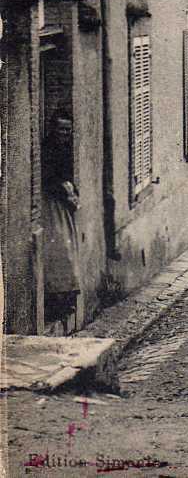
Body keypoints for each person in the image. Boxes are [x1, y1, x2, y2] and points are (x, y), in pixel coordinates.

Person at [42, 109, 81, 325]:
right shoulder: (48, 150)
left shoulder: (65, 149)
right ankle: (56, 302)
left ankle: (66, 301)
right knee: (60, 253)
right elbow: (49, 180)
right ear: (53, 129)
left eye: (68, 130)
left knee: (68, 251)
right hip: (52, 206)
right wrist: (66, 193)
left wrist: (73, 192)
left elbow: (67, 177)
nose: (64, 134)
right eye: (61, 129)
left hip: (64, 205)